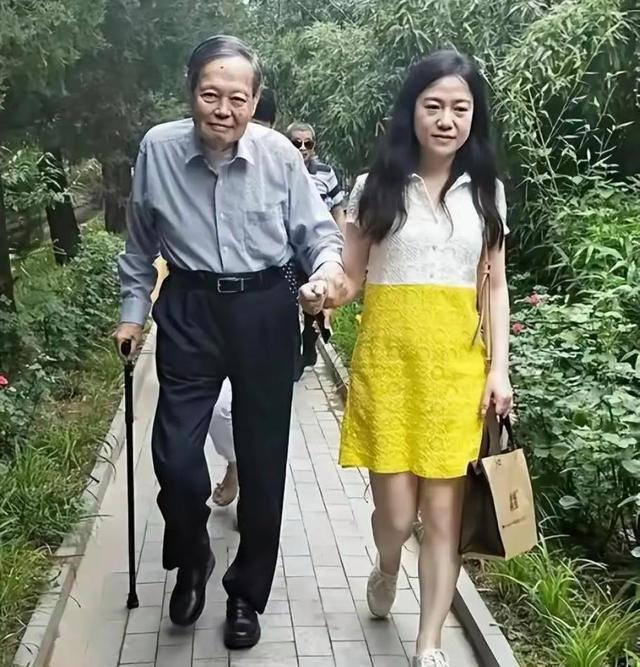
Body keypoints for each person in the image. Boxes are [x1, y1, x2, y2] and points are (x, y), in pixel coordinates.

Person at [114, 35, 345, 649]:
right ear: (191, 92)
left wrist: (325, 276)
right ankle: (192, 557)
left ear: (256, 99)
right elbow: (139, 244)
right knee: (174, 456)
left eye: (238, 98)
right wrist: (133, 314)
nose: (223, 109)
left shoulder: (280, 155)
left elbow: (318, 236)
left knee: (263, 462)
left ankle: (246, 594)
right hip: (189, 306)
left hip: (264, 306)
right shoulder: (158, 150)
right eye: (210, 94)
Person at [300, 50, 512, 667]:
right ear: (411, 112)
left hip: (456, 375)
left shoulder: (488, 193)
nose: (446, 119)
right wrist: (323, 290)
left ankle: (429, 646)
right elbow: (351, 277)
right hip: (389, 371)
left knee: (443, 519)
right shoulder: (375, 188)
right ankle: (388, 564)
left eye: (460, 108)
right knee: (395, 515)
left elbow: (495, 286)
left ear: (473, 117)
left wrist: (499, 369)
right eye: (433, 106)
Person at [211, 86, 279, 508]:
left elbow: (319, 235)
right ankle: (236, 464)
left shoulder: (283, 165)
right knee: (221, 409)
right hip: (209, 312)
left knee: (259, 415)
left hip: (273, 311)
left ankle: (254, 496)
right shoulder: (212, 166)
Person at [287, 121, 345, 375]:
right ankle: (293, 357)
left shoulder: (325, 173)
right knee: (288, 303)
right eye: (296, 143)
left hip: (316, 250)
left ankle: (309, 346)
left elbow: (338, 210)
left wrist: (340, 245)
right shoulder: (279, 168)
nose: (302, 148)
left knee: (315, 300)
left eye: (307, 143)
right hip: (288, 252)